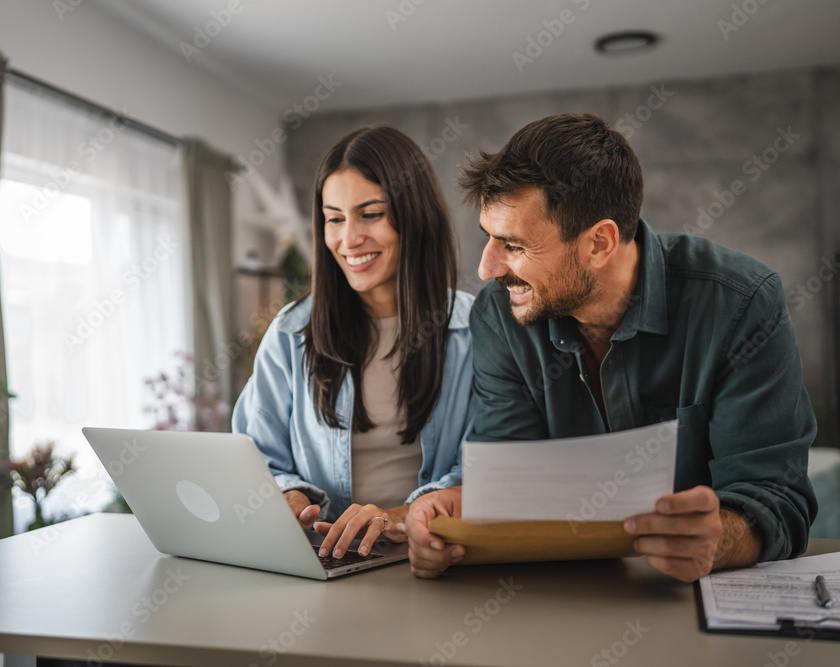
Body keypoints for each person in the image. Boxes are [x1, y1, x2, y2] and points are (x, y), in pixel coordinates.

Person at [401, 113, 818, 582]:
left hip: (693, 603)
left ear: (600, 242)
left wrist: (718, 539)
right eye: (489, 238)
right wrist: (450, 513)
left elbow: (777, 498)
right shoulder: (500, 318)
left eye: (513, 245)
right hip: (563, 599)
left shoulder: (741, 304)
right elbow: (511, 481)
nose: (486, 269)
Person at [232, 125, 475, 559]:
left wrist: (402, 515)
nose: (348, 239)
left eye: (371, 214)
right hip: (326, 560)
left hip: (433, 558)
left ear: (413, 215)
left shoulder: (473, 333)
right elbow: (256, 459)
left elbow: (487, 470)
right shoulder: (291, 335)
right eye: (335, 218)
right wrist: (287, 497)